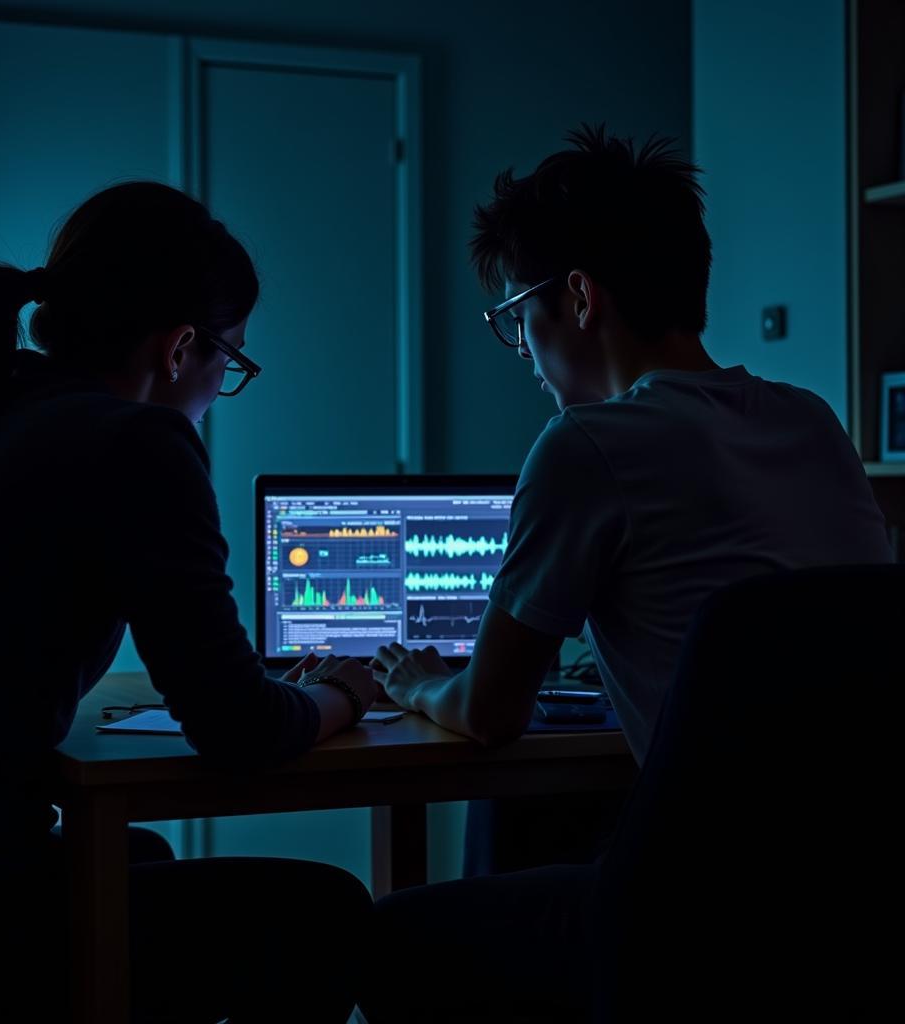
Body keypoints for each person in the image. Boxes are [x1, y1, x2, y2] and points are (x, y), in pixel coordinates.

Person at [361, 124, 893, 1022]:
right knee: (539, 828)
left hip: (697, 918)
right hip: (859, 900)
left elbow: (491, 713)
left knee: (379, 940)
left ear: (575, 298)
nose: (524, 353)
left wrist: (416, 682)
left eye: (517, 318)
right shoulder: (812, 423)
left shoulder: (588, 446)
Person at [0, 181, 376, 1022]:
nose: (222, 389)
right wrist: (348, 692)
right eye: (234, 362)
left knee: (138, 854)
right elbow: (240, 730)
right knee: (325, 912)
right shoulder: (133, 441)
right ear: (182, 348)